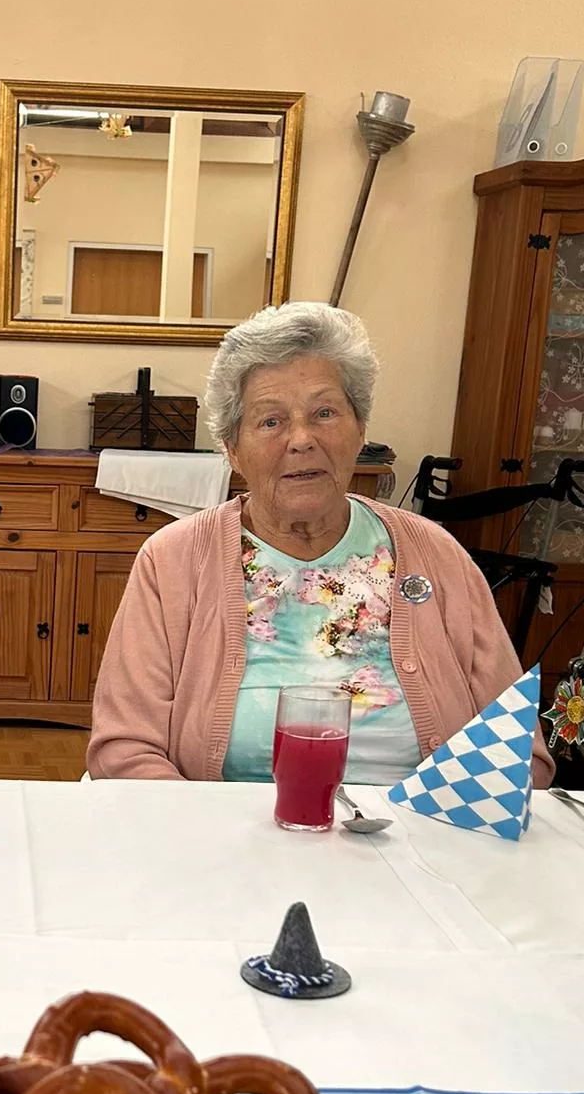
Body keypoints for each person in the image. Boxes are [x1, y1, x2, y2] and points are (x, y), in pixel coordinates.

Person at [88, 301, 554, 786]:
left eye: (325, 413)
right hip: (228, 826)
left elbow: (518, 750)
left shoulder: (436, 554)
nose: (301, 439)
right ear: (232, 450)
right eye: (270, 421)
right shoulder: (173, 560)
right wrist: (210, 828)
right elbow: (125, 747)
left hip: (416, 826)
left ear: (360, 430)